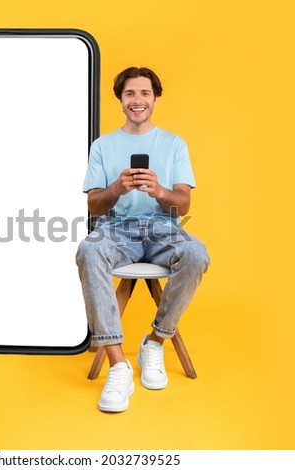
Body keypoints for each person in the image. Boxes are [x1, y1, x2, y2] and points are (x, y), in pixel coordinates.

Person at [76, 66, 210, 412]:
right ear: (120, 100)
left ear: (155, 99)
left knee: (196, 254)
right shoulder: (103, 146)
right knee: (88, 253)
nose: (137, 100)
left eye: (144, 93)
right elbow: (93, 204)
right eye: (130, 94)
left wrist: (160, 191)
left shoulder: (174, 144)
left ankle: (155, 341)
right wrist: (117, 189)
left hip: (163, 229)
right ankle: (118, 364)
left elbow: (183, 204)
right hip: (116, 229)